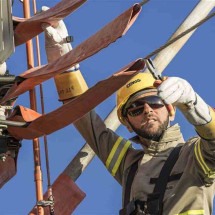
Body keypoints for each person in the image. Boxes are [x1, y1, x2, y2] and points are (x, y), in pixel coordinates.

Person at [43, 16, 215, 215]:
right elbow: (88, 123)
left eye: (155, 102)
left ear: (171, 109)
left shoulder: (194, 155)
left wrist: (193, 104)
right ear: (127, 124)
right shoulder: (130, 165)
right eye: (136, 109)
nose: (148, 110)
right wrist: (64, 65)